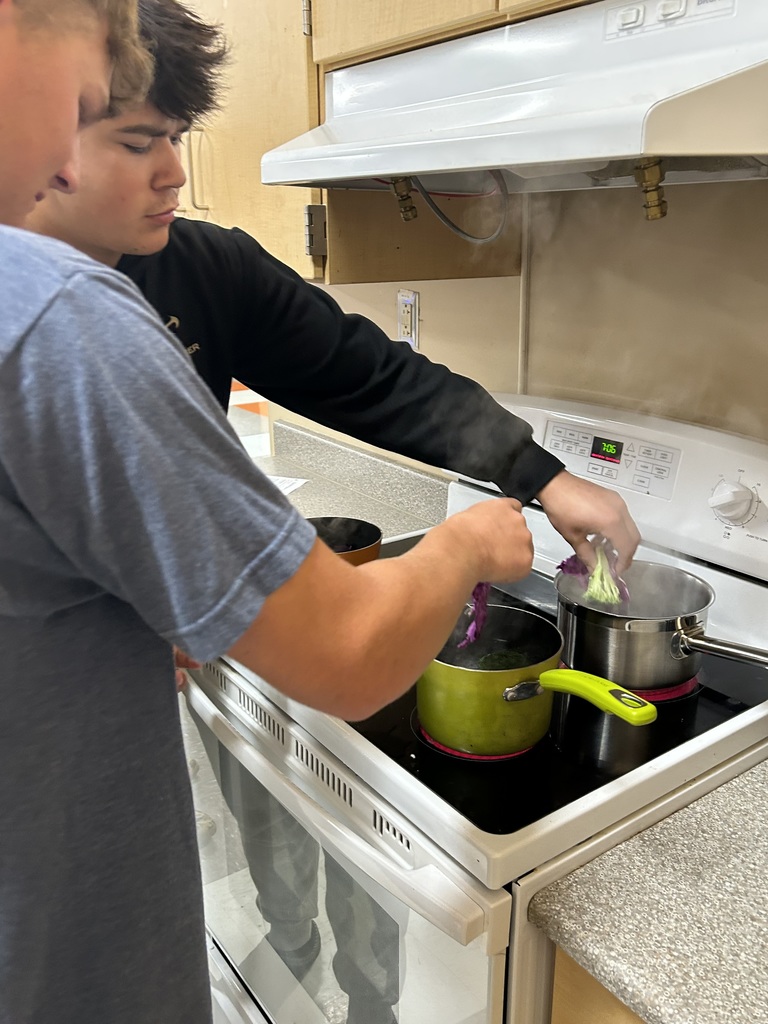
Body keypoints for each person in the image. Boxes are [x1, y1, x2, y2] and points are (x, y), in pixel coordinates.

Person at [24, 3, 641, 1021]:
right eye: (137, 141)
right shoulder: (66, 317)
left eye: (178, 137)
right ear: (49, 129)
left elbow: (369, 374)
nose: (174, 171)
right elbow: (349, 657)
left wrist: (541, 475)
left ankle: (330, 976)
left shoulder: (199, 266)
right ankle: (298, 944)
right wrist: (461, 544)